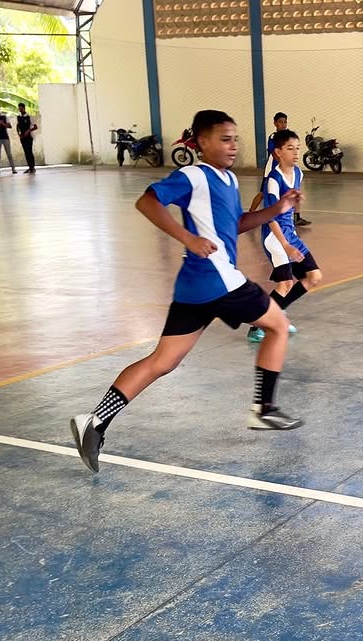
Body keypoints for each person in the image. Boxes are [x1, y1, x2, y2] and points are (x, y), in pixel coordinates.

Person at [70, 110, 305, 474]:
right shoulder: (193, 175)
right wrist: (188, 238)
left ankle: (95, 421)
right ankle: (264, 408)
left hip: (195, 285)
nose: (233, 146)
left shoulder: (227, 179)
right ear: (202, 142)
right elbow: (147, 201)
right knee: (277, 325)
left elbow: (236, 223)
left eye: (235, 139)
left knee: (162, 361)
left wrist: (278, 208)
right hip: (219, 279)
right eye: (224, 139)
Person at [247, 129, 323, 343]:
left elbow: (290, 204)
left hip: (290, 234)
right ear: (278, 152)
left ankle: (277, 314)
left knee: (313, 277)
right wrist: (286, 245)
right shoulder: (273, 180)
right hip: (275, 236)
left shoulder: (298, 173)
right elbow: (269, 216)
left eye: (298, 148)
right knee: (285, 283)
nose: (296, 152)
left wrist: (296, 200)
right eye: (290, 148)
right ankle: (257, 326)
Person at [16, 103, 38, 174]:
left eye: (21, 108)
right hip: (22, 137)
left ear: (24, 108)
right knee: (26, 152)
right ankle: (29, 167)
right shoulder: (19, 117)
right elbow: (18, 126)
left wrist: (28, 131)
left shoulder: (29, 116)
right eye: (19, 108)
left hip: (29, 137)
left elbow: (35, 127)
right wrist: (19, 134)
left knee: (29, 152)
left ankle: (32, 167)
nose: (20, 109)